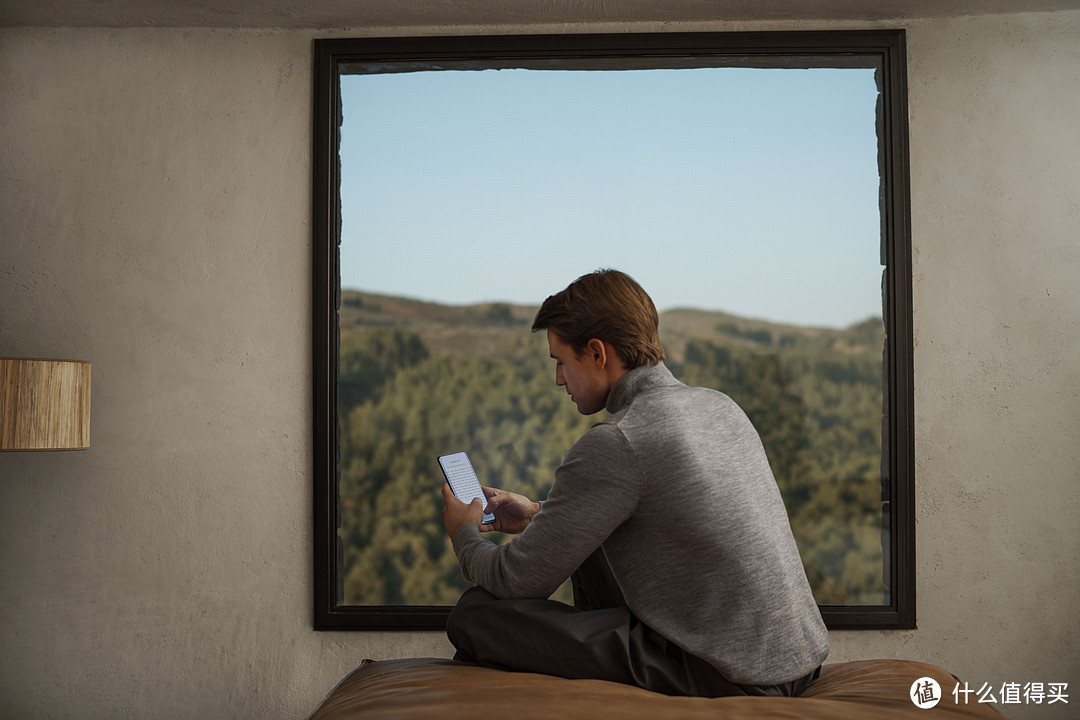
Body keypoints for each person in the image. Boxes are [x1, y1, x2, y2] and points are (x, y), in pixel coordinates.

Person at [440, 269, 828, 698]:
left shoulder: (620, 440)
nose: (558, 379)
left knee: (475, 614)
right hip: (797, 660)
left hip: (725, 673)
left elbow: (517, 582)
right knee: (589, 546)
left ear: (597, 353)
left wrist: (464, 532)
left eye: (560, 361)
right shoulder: (720, 406)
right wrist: (538, 515)